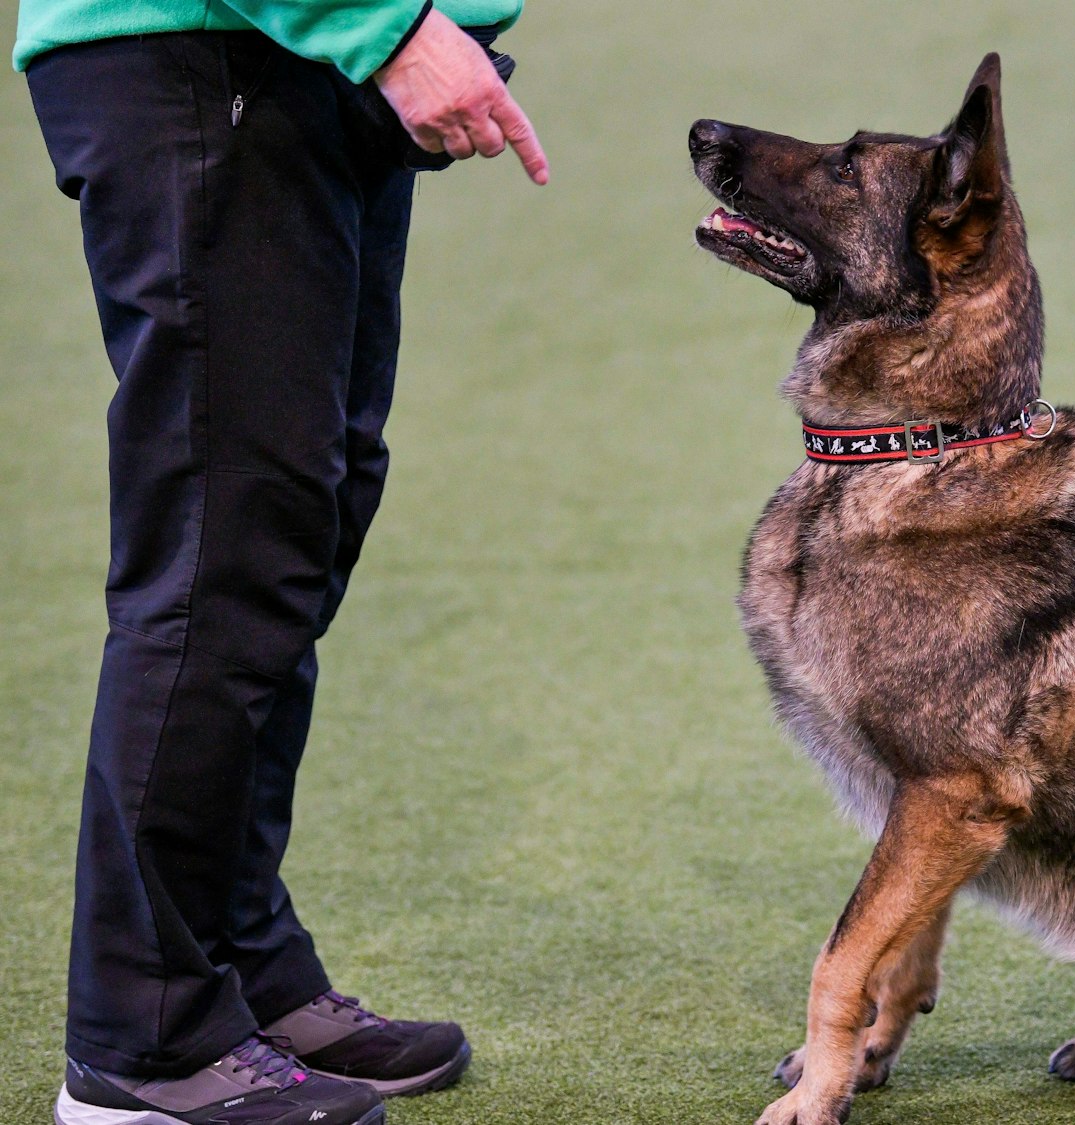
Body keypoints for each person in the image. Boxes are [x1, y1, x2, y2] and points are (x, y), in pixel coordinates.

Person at [18, 0, 549, 1121]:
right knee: (224, 554)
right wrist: (382, 23)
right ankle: (140, 1047)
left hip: (307, 66)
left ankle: (240, 971)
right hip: (217, 45)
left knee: (292, 539)